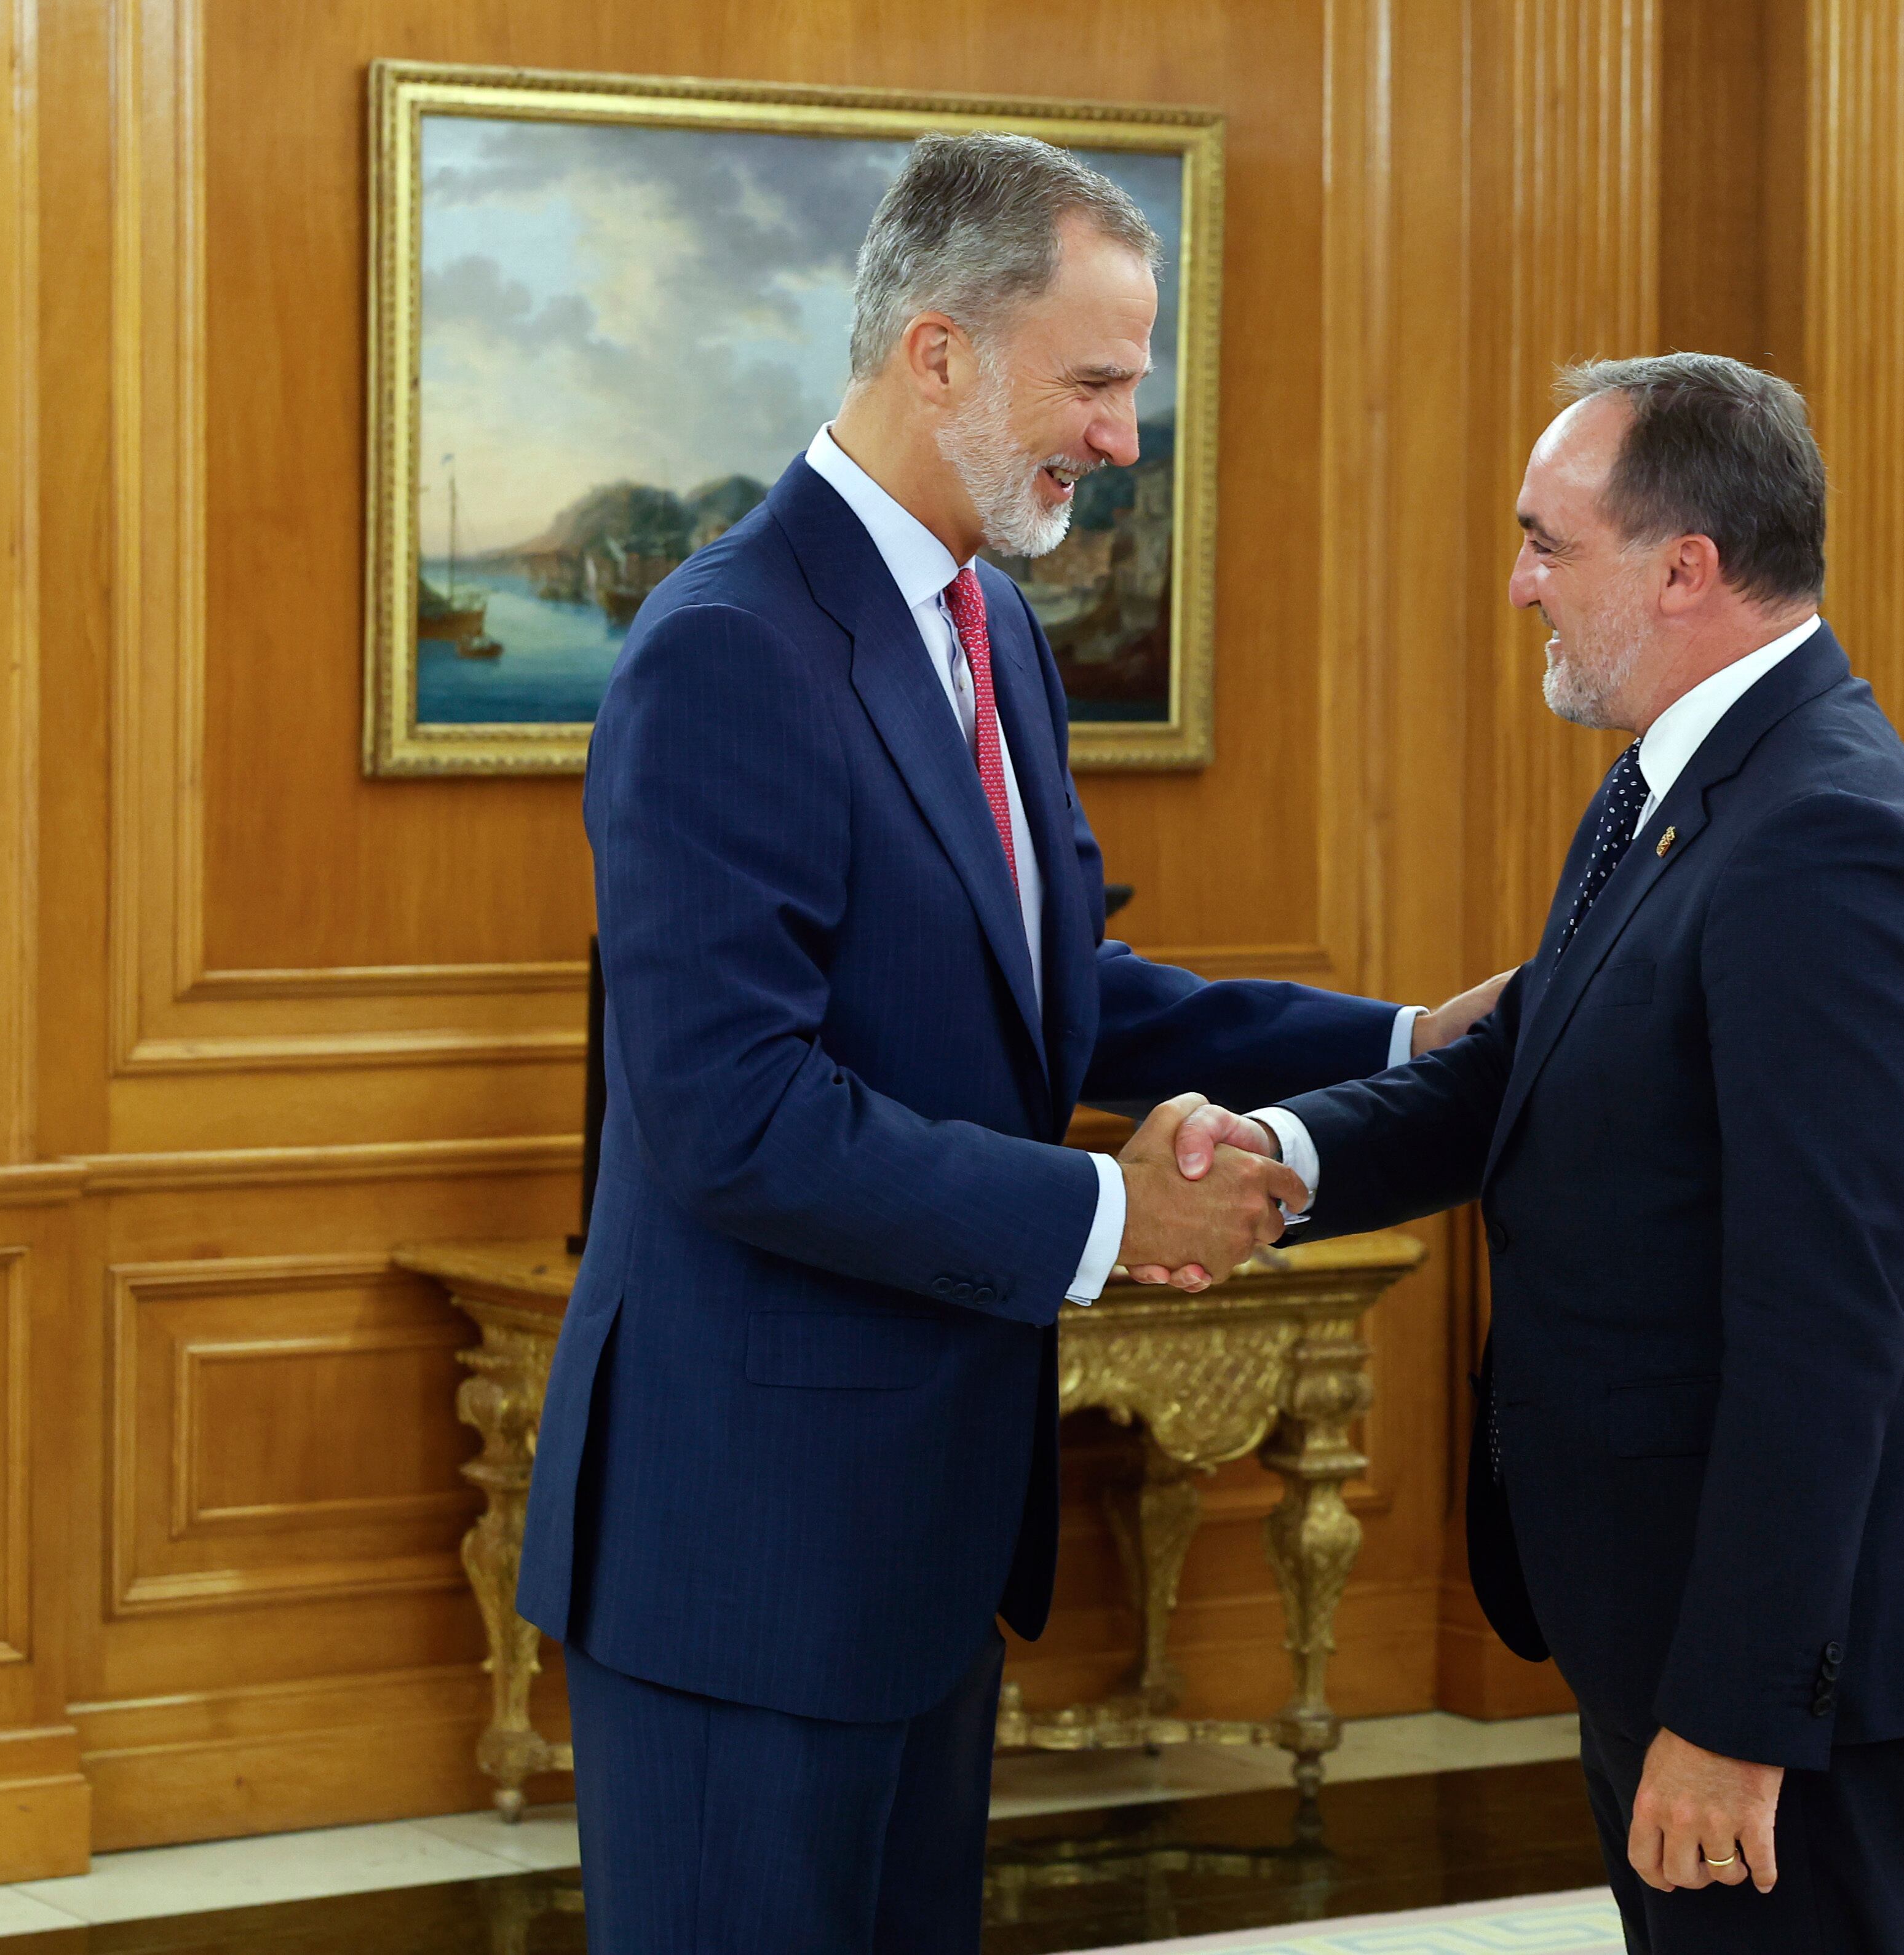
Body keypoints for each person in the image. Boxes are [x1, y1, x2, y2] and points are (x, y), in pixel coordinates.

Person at [517, 133, 1508, 1954]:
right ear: (939, 354)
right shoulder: (725, 646)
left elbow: (1063, 994)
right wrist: (1109, 1214)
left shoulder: (988, 628)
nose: (1124, 435)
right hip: (745, 1549)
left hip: (916, 1538)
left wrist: (1395, 1034)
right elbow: (734, 1112)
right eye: (1099, 380)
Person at [1146, 355, 1904, 1953]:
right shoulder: (1675, 783)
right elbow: (1527, 1066)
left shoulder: (1822, 837)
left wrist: (1733, 1711)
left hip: (1776, 1652)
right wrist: (1278, 1155)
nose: (1518, 585)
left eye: (1547, 542)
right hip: (1669, 1599)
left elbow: (1819, 1322)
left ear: (1683, 567)